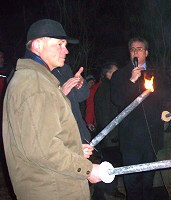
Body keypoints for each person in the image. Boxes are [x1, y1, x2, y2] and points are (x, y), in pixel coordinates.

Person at [2, 19, 102, 199]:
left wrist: (74, 149)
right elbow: (43, 150)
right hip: (53, 189)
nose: (66, 50)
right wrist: (87, 169)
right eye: (59, 44)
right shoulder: (36, 85)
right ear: (38, 45)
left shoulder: (37, 79)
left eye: (65, 45)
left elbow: (41, 138)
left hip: (53, 182)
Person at [110, 37, 169, 200]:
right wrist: (131, 81)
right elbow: (116, 99)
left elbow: (165, 99)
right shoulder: (120, 75)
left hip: (151, 136)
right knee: (132, 182)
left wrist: (166, 114)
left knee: (148, 181)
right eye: (132, 49)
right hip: (131, 139)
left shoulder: (156, 74)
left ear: (146, 52)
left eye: (140, 49)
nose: (135, 52)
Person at [93, 62, 125, 199]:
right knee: (107, 165)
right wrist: (112, 135)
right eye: (115, 72)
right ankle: (98, 194)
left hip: (113, 135)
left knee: (114, 164)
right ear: (108, 74)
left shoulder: (111, 87)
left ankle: (111, 189)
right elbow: (104, 115)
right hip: (110, 137)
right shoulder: (105, 90)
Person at [51, 64, 91, 143]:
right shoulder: (36, 73)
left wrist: (80, 84)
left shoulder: (64, 69)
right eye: (60, 50)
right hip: (60, 140)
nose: (65, 51)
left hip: (79, 134)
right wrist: (61, 94)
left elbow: (81, 97)